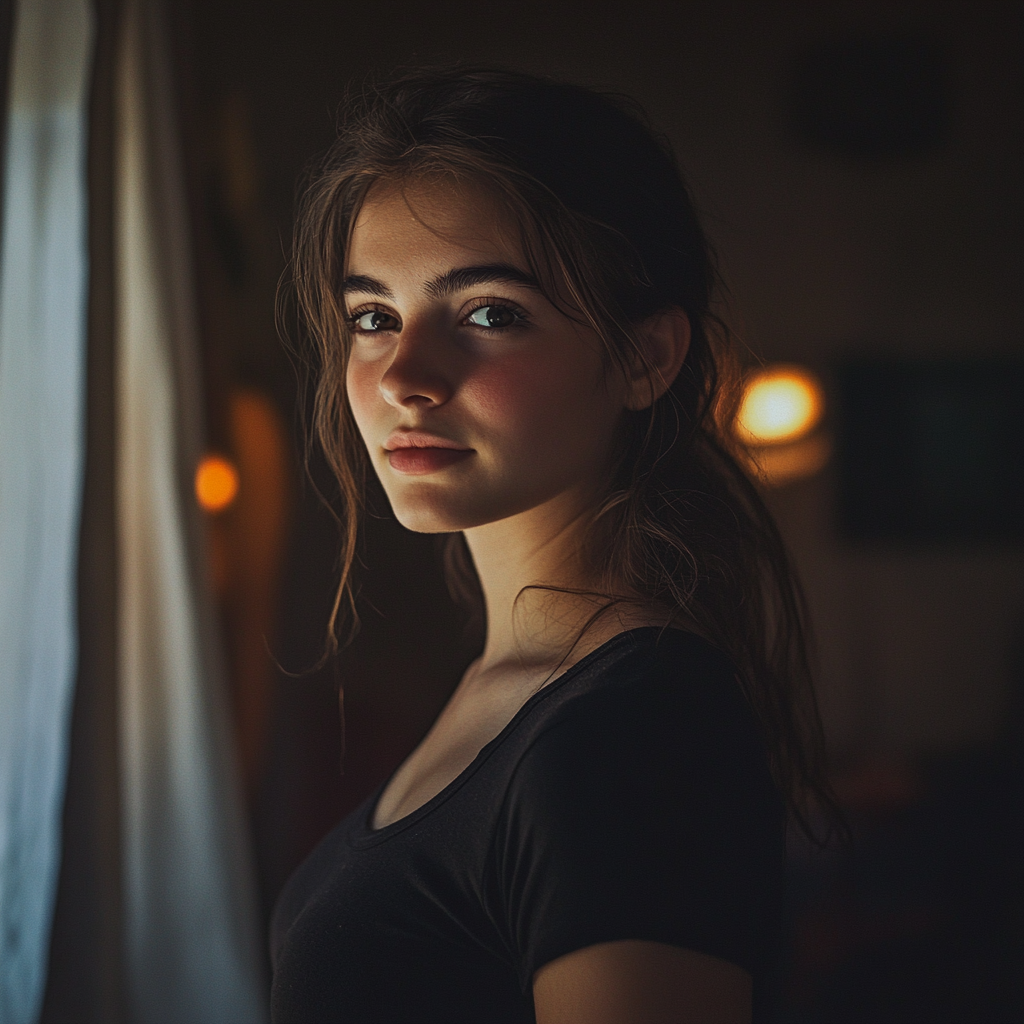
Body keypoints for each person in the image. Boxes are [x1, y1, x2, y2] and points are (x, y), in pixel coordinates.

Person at [270, 66, 834, 1024]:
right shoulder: (521, 686)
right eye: (374, 316)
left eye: (490, 313)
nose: (405, 374)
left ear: (646, 358)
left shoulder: (633, 729)